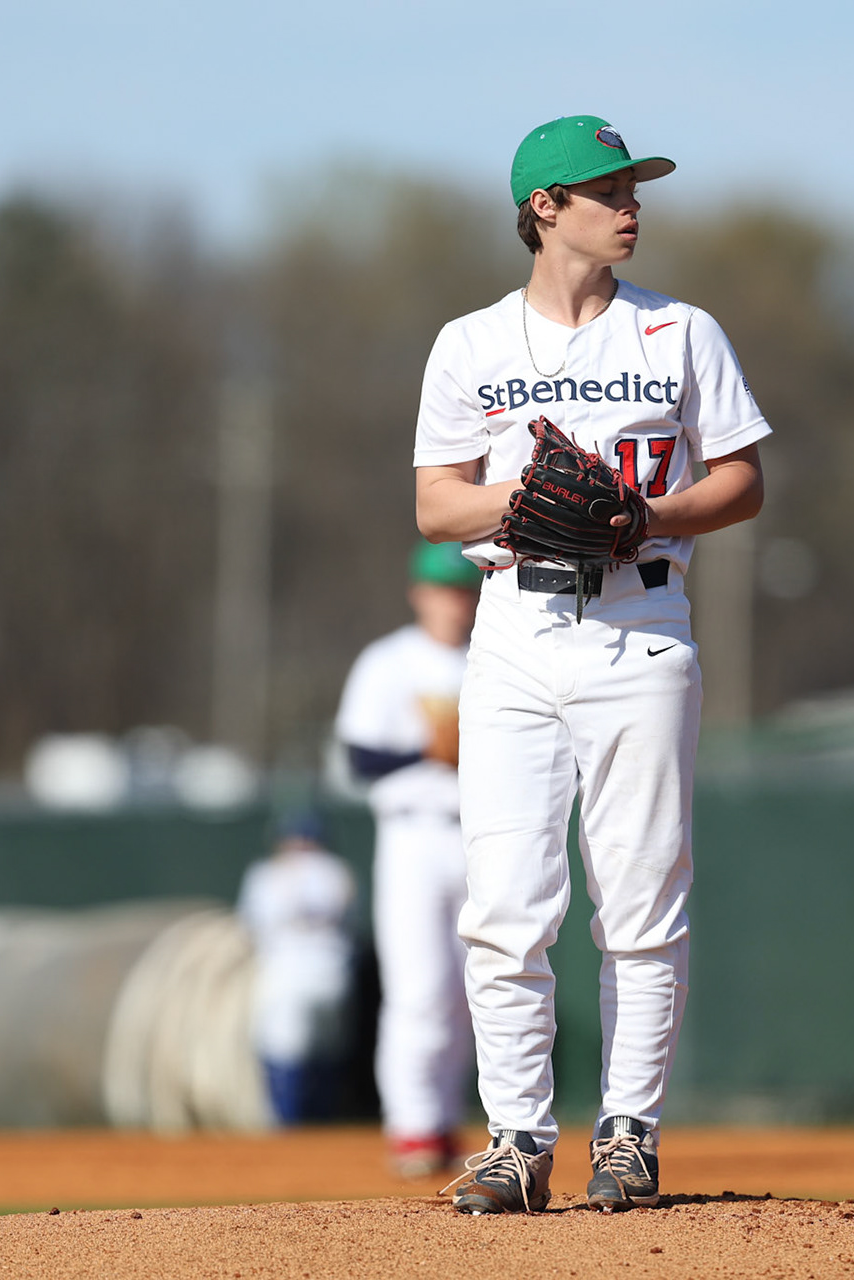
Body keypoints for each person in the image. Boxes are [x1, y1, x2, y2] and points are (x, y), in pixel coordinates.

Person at [413, 116, 769, 1213]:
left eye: (635, 186)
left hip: (642, 628)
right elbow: (436, 499)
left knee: (641, 901)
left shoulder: (680, 333)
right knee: (506, 904)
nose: (633, 203)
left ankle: (629, 1135)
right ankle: (519, 1138)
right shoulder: (469, 343)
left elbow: (744, 479)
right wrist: (529, 508)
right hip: (515, 633)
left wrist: (646, 515)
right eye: (608, 187)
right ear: (543, 208)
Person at [335, 541, 483, 1177]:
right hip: (413, 835)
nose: (455, 601)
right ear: (419, 593)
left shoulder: (493, 657)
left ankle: (445, 1121)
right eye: (444, 589)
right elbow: (359, 759)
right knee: (419, 986)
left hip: (481, 833)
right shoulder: (389, 662)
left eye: (464, 589)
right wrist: (427, 751)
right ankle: (413, 1126)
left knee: (475, 991)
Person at [236, 811, 356, 1125]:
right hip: (326, 971)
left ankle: (290, 1126)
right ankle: (310, 1124)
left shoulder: (274, 873)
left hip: (291, 971)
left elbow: (251, 926)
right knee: (319, 1050)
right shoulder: (336, 871)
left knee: (286, 1047)